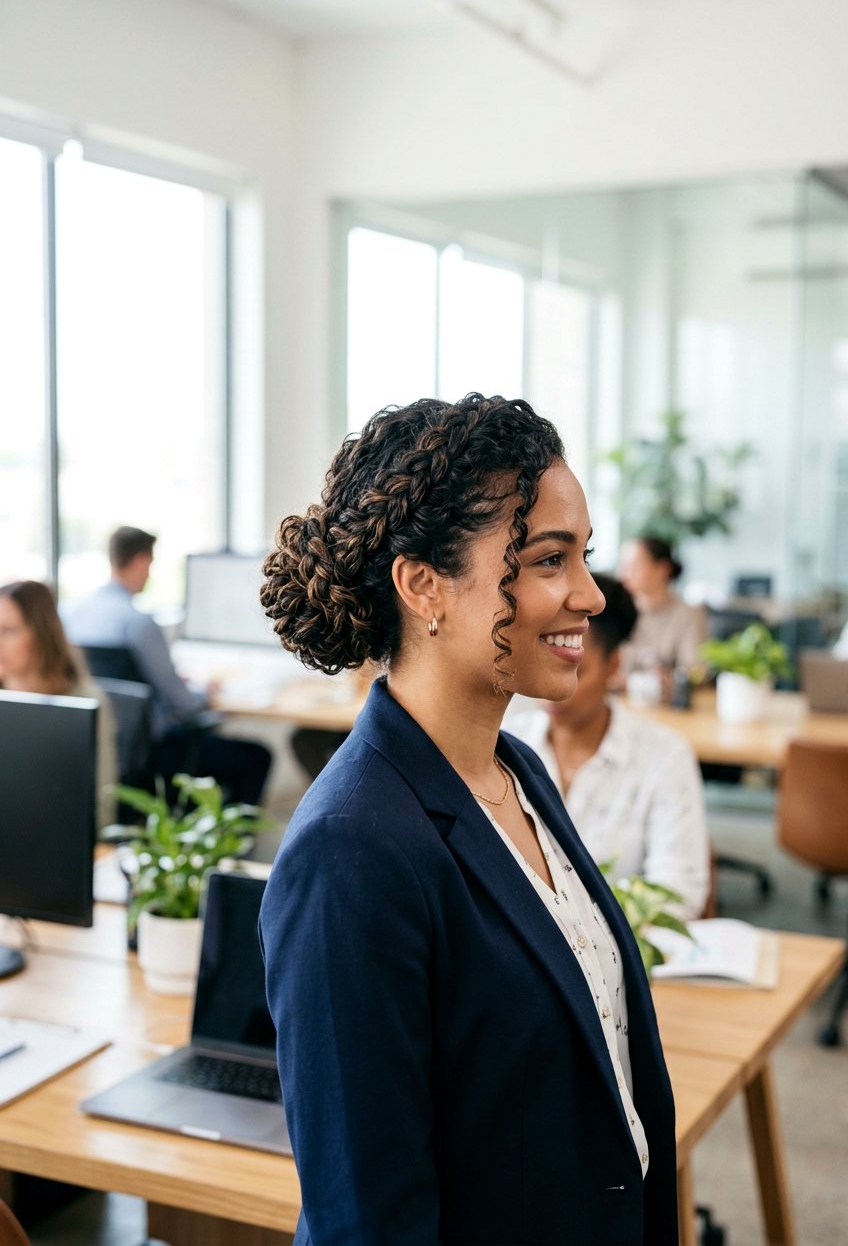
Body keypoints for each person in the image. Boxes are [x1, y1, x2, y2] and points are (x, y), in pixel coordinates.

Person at [259, 394, 678, 1246]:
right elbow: (365, 1221)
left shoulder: (515, 771)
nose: (591, 596)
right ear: (424, 586)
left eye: (584, 557)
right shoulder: (351, 849)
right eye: (549, 559)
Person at [503, 573, 710, 920]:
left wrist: (586, 934)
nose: (555, 687)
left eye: (575, 670)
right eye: (544, 661)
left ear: (613, 665)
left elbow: (679, 892)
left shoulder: (663, 756)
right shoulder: (506, 744)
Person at [64, 526, 272, 806]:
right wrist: (204, 692)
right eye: (150, 565)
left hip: (103, 751)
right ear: (139, 561)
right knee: (257, 757)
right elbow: (185, 705)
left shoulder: (72, 614)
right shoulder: (138, 623)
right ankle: (231, 843)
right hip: (154, 756)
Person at [0, 579, 117, 829]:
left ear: (41, 635)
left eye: (8, 631)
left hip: (50, 842)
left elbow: (102, 808)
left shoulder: (83, 702)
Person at [617, 534, 709, 694]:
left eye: (633, 566)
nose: (624, 574)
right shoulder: (617, 611)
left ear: (662, 569)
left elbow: (695, 674)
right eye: (622, 566)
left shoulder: (689, 615)